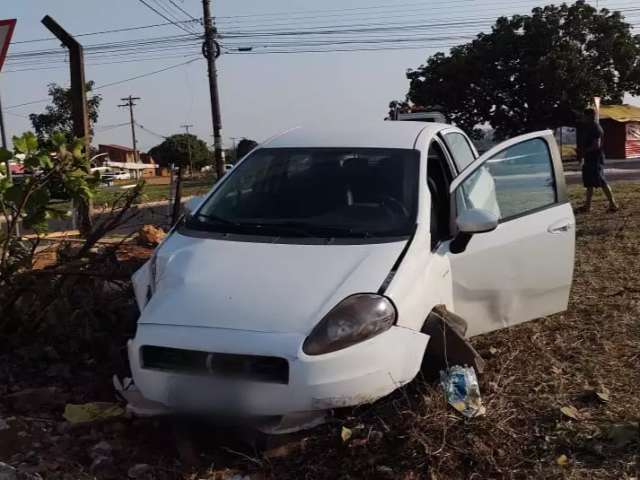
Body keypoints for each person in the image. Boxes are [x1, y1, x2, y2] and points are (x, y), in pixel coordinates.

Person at [578, 108, 618, 213]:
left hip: (595, 159)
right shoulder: (588, 127)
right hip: (589, 159)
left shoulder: (595, 128)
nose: (583, 117)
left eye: (584, 116)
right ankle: (587, 206)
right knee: (589, 183)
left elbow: (597, 145)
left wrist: (584, 151)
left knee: (602, 181)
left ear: (590, 116)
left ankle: (613, 204)